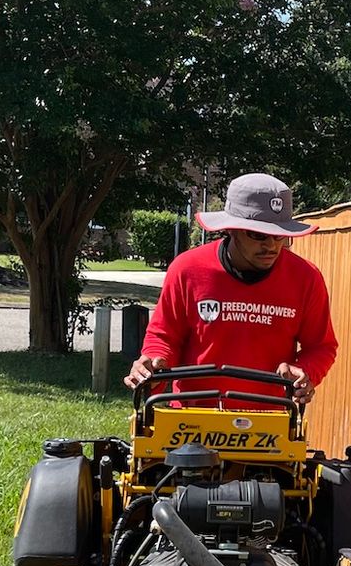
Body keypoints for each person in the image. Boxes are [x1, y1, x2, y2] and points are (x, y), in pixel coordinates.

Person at [124, 172, 338, 406]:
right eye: (259, 235)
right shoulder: (187, 269)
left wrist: (305, 371)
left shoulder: (306, 278)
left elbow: (321, 347)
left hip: (270, 422)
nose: (271, 246)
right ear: (231, 229)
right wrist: (154, 362)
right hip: (190, 418)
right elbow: (163, 336)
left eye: (280, 236)